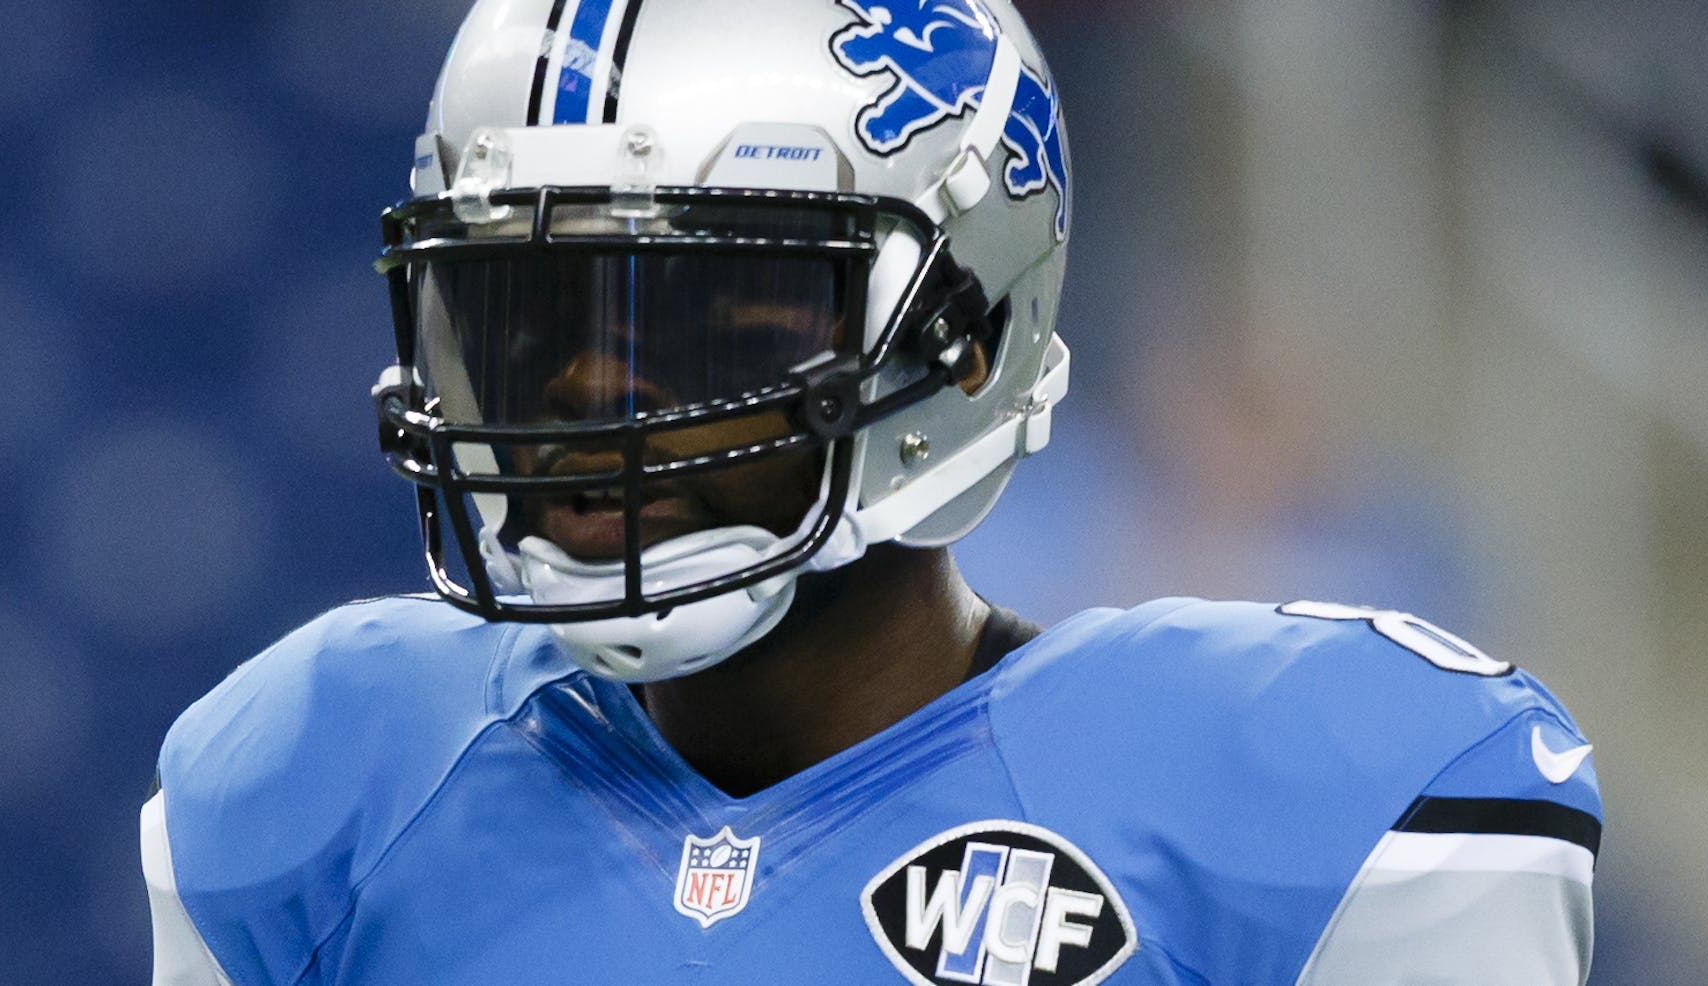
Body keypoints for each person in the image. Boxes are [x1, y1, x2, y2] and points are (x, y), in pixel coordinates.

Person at [140, 1, 1600, 983]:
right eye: (530, 315)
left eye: (710, 316)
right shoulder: (328, 774)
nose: (585, 391)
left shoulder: (1316, 796)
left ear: (966, 341)